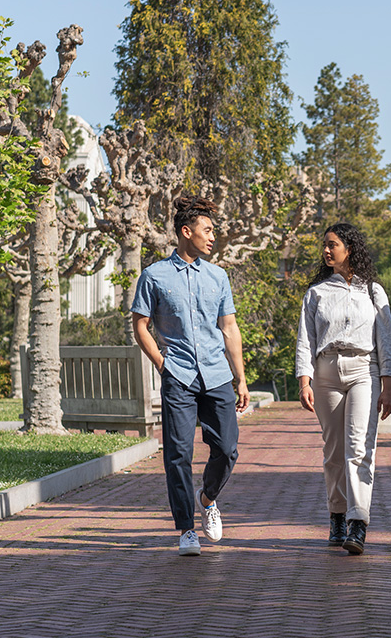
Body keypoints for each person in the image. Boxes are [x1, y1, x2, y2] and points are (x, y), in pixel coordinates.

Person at [131, 196, 250, 556]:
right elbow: (140, 324)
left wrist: (240, 378)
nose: (213, 237)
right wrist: (162, 363)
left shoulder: (218, 276)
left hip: (216, 374)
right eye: (207, 230)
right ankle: (185, 529)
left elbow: (229, 328)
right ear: (186, 232)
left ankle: (208, 497)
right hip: (178, 374)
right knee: (178, 453)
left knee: (227, 448)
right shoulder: (154, 276)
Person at [296, 222, 391, 555]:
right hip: (326, 372)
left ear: (349, 248)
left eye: (332, 244)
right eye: (324, 245)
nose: (326, 250)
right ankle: (337, 515)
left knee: (359, 447)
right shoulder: (316, 293)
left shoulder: (373, 291)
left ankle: (358, 522)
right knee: (333, 451)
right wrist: (304, 380)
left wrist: (388, 384)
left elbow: (386, 339)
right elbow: (305, 340)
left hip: (364, 370)